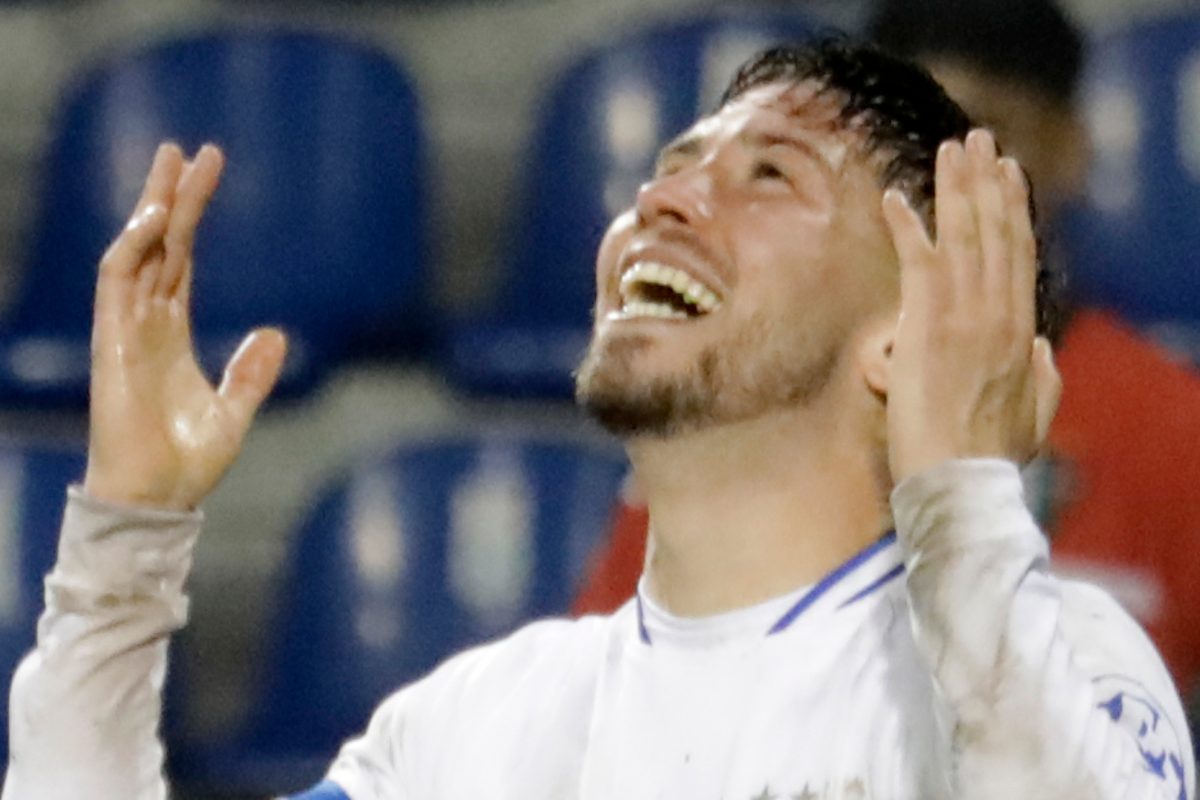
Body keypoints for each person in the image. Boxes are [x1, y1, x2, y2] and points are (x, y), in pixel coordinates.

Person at [2, 38, 1193, 800]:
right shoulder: (471, 722)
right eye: (672, 165)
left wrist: (965, 496)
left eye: (768, 174)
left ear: (910, 328)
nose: (660, 199)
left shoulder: (1063, 668)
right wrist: (124, 542)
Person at [576, 0, 1200, 704]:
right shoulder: (748, 406)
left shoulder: (1174, 425)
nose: (940, 178)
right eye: (906, 148)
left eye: (983, 137)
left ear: (1071, 149)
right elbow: (608, 697)